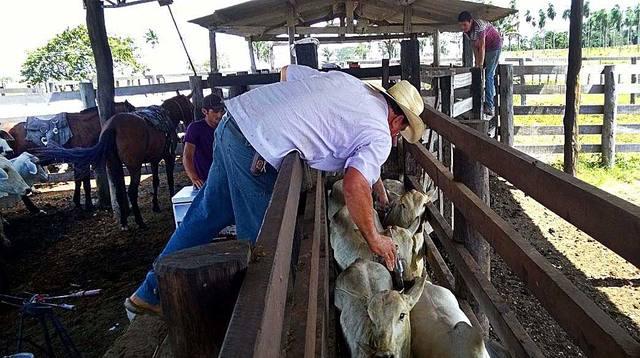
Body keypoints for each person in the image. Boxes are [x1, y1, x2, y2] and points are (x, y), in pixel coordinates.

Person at [124, 64, 426, 316]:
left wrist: (289, 122)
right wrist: (375, 238)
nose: (396, 137)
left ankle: (148, 292)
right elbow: (353, 183)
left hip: (234, 124)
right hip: (256, 152)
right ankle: (258, 327)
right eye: (400, 131)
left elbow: (287, 73)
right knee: (264, 246)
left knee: (205, 215)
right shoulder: (380, 134)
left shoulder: (349, 84)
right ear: (397, 118)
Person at [458, 11, 503, 116]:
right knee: (480, 72)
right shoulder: (467, 32)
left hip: (494, 46)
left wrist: (480, 65)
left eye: (465, 24)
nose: (463, 27)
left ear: (471, 21)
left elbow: (482, 46)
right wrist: (477, 64)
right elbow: (475, 47)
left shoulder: (479, 26)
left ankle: (489, 105)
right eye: (461, 25)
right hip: (485, 47)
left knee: (488, 75)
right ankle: (482, 99)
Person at [183, 94, 225, 188]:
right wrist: (194, 178)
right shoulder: (195, 128)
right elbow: (187, 155)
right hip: (205, 181)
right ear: (204, 111)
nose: (220, 114)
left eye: (222, 110)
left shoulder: (226, 128)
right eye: (215, 111)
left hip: (225, 178)